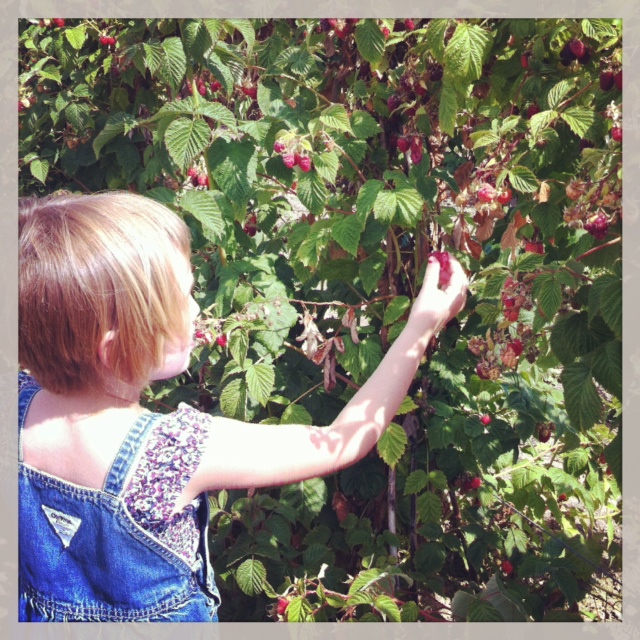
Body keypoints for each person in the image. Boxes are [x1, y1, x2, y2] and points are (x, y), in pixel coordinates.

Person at [18, 191, 468, 622]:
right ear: (116, 350)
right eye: (183, 298)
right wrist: (421, 326)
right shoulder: (173, 454)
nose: (197, 310)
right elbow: (340, 441)